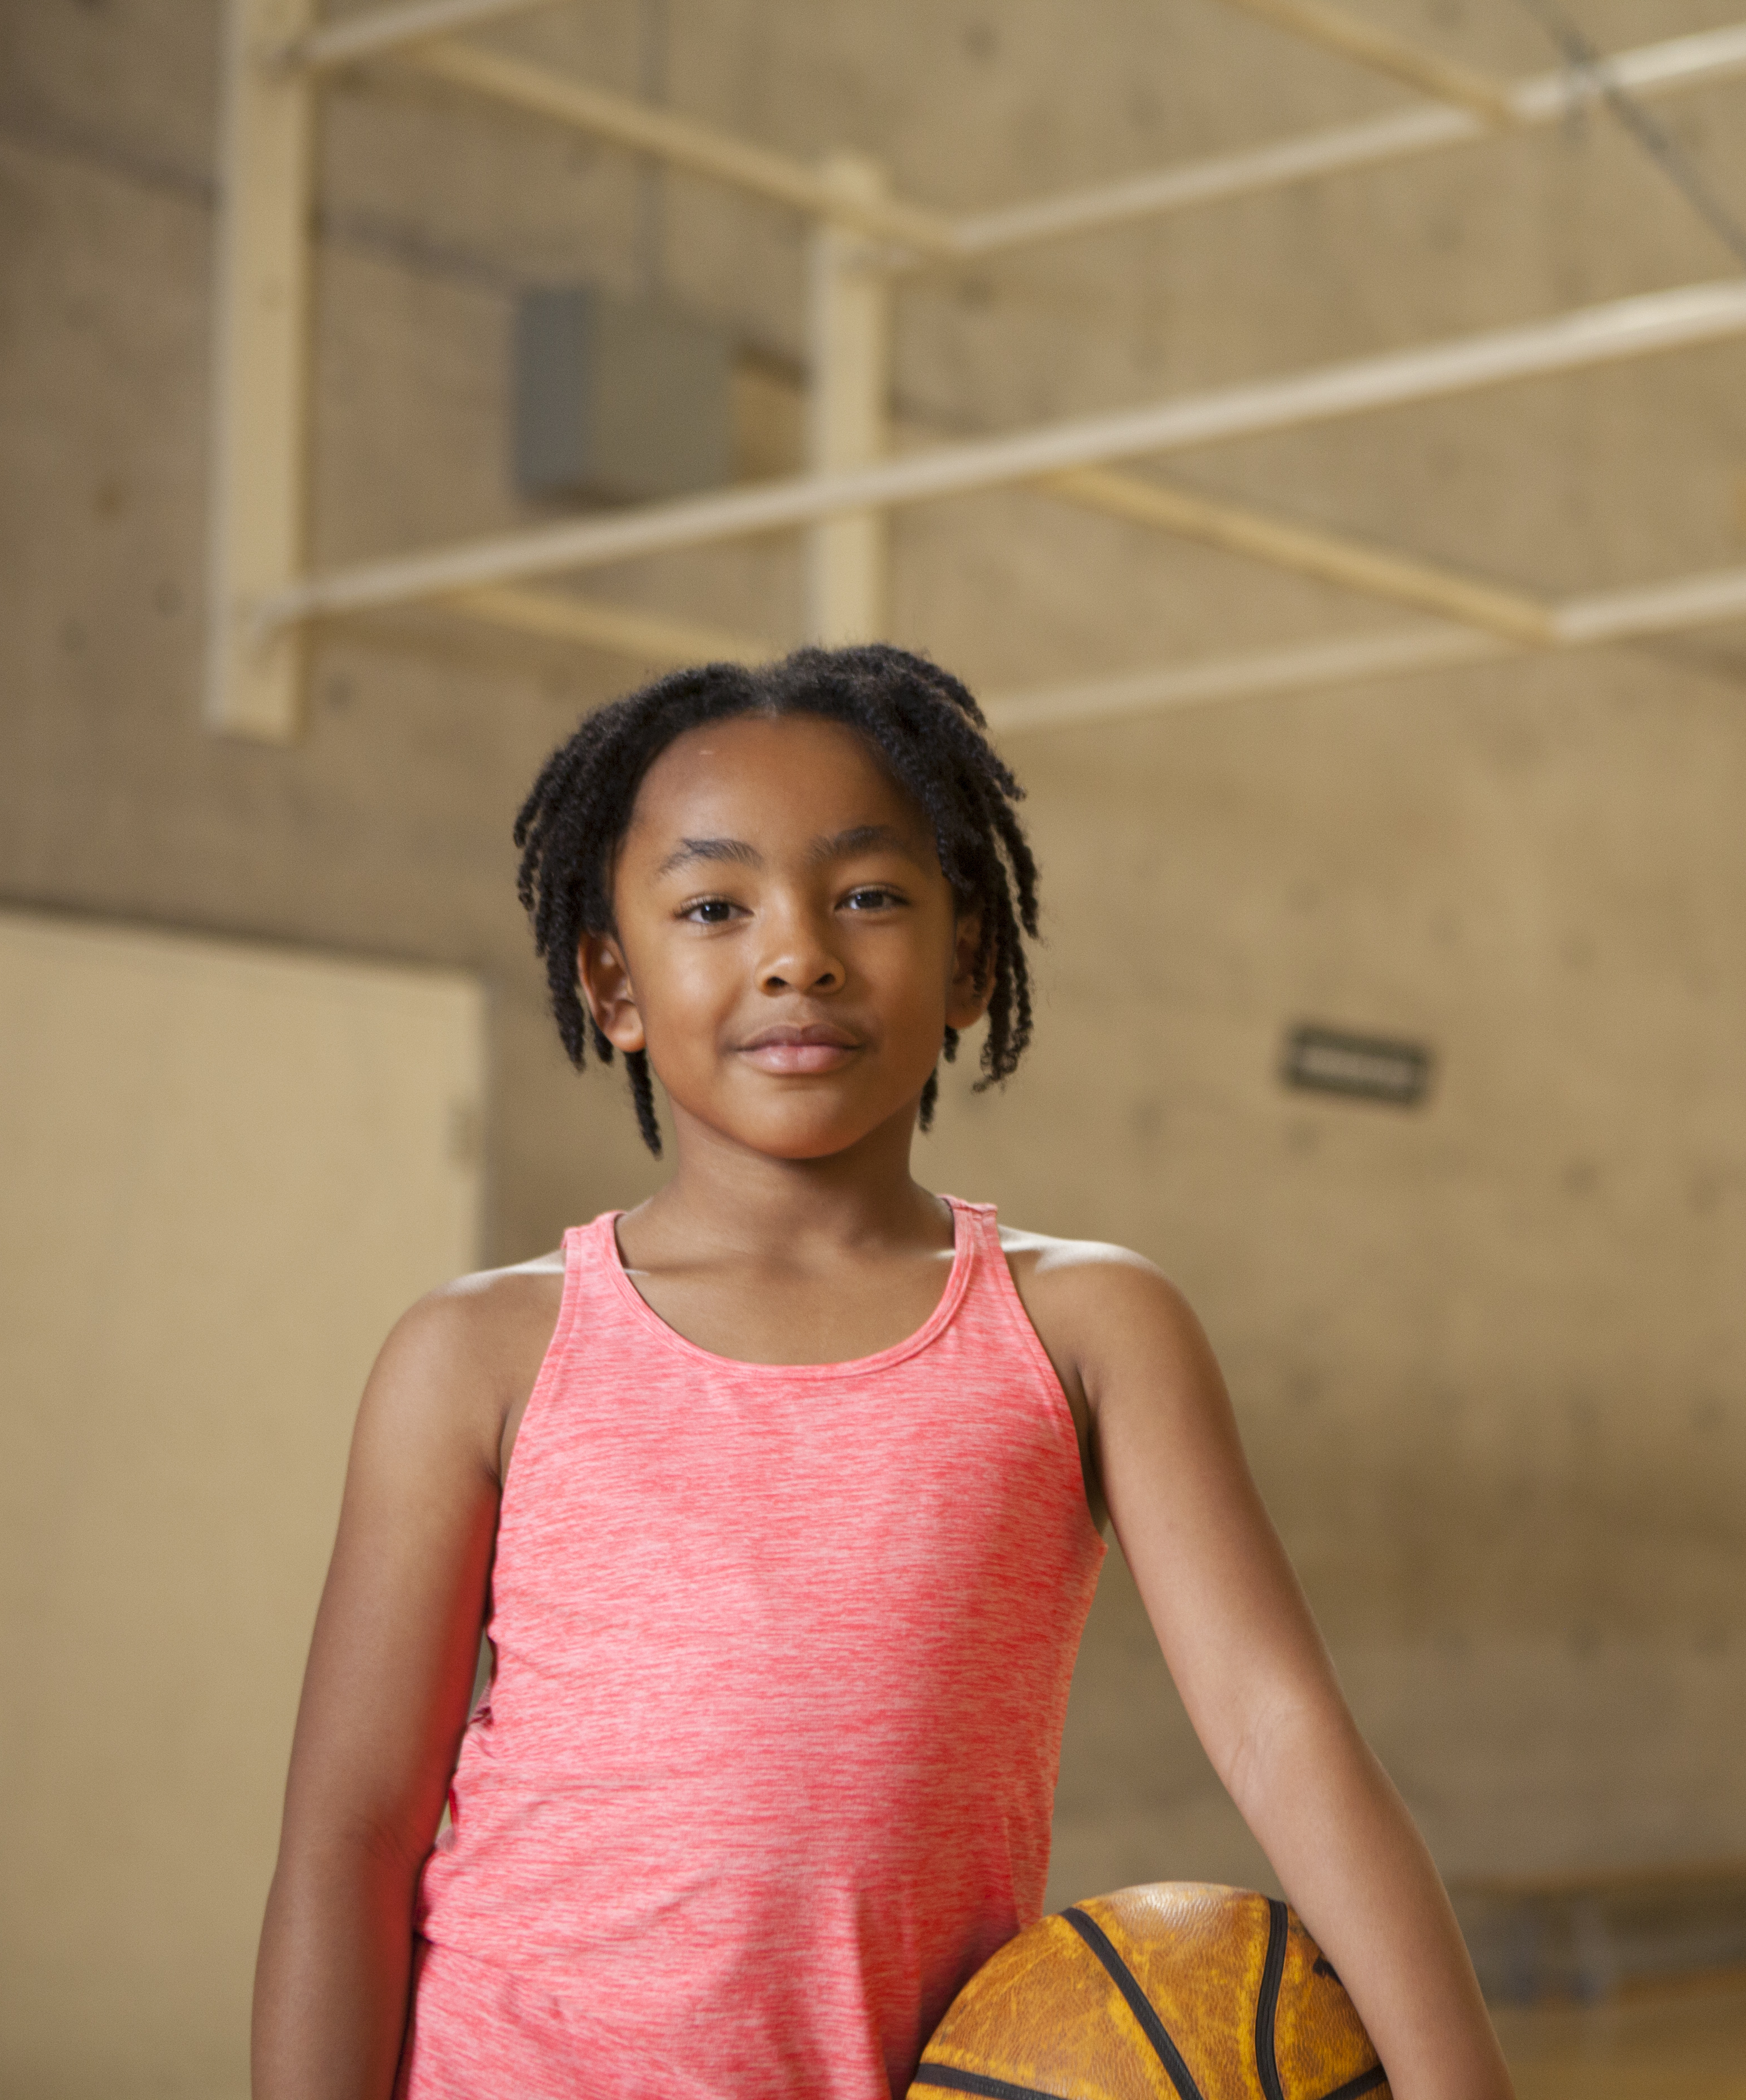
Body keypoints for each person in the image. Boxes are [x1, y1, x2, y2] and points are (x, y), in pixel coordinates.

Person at [252, 646, 1512, 2100]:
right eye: (716, 907)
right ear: (614, 980)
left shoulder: (1087, 1329)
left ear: (971, 956)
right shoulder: (479, 1357)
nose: (800, 954)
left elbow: (1282, 1736)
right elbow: (349, 1835)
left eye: (867, 895)